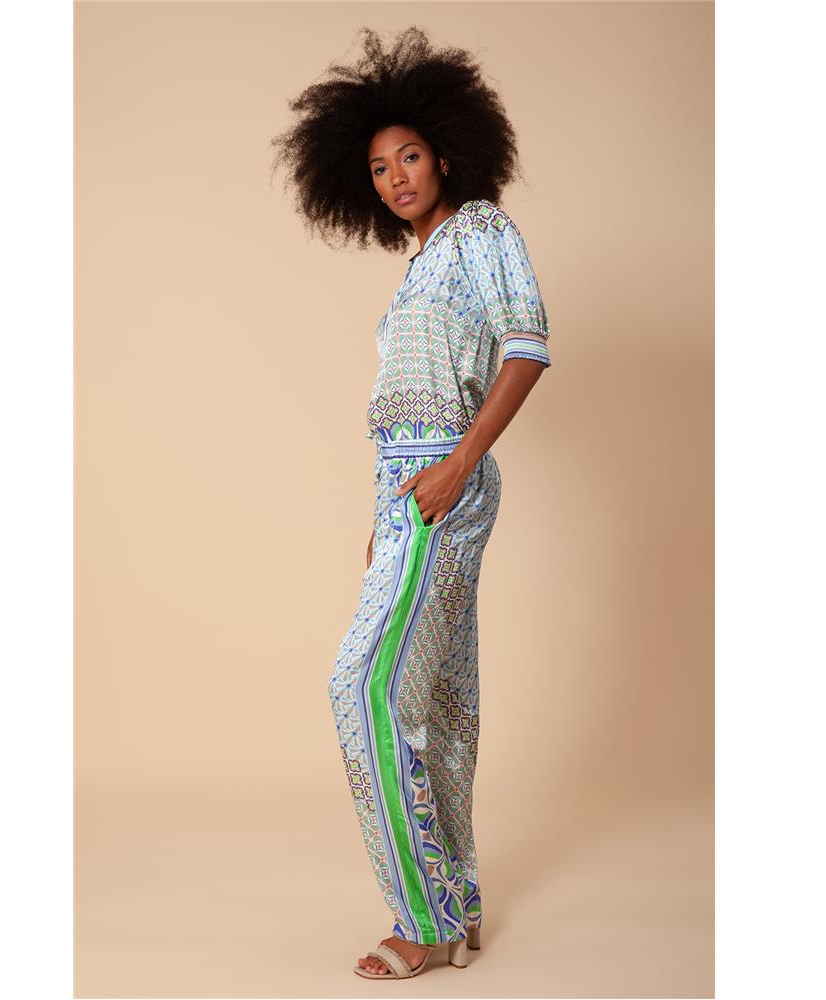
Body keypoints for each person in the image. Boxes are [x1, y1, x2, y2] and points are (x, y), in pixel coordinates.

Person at [271, 25, 552, 980]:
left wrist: (458, 467)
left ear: (448, 153)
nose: (395, 177)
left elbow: (527, 347)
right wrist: (382, 519)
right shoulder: (418, 265)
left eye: (410, 157)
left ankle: (421, 920)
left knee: (364, 688)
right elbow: (407, 400)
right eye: (378, 167)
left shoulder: (480, 232)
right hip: (409, 494)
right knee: (437, 699)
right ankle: (458, 905)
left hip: (445, 482)